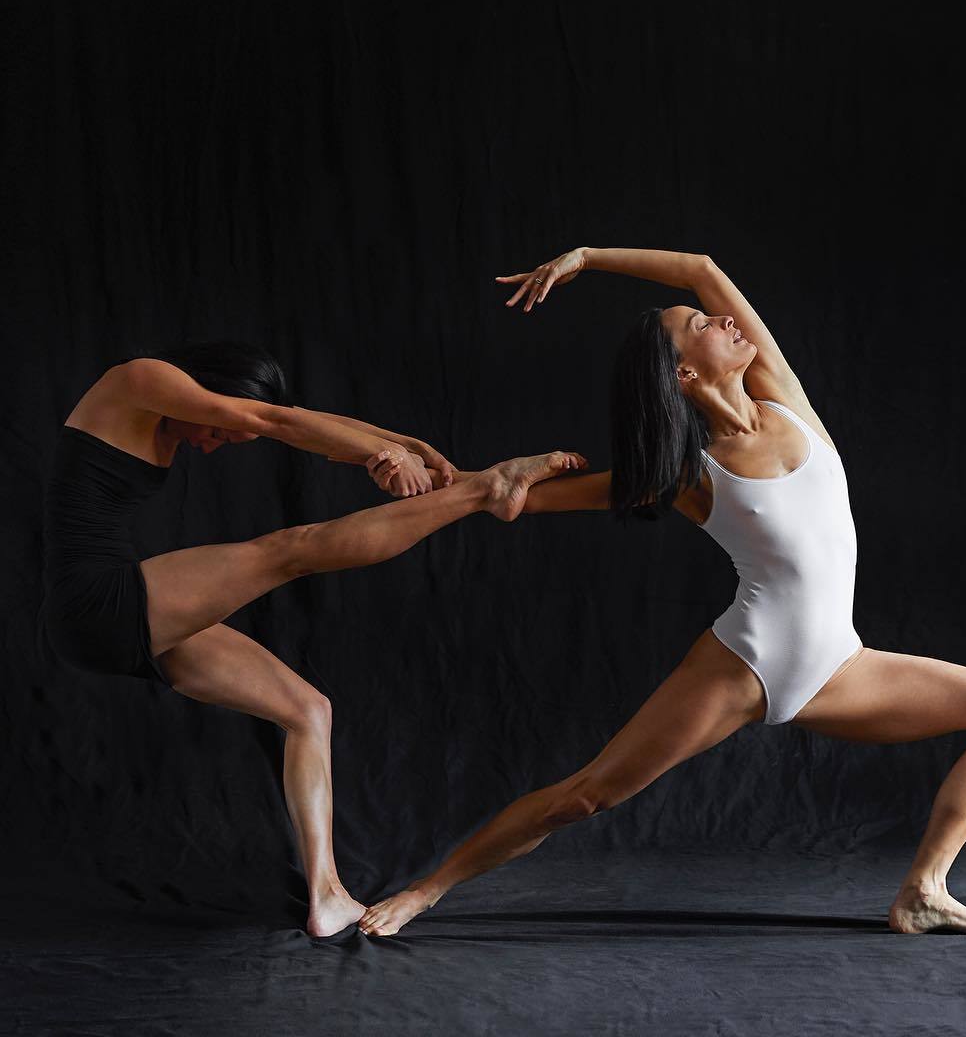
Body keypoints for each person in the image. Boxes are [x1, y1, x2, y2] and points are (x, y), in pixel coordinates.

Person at [359, 247, 966, 938]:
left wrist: (587, 258)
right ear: (684, 373)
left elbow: (702, 270)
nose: (724, 319)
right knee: (584, 798)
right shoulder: (688, 473)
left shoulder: (786, 401)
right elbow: (511, 500)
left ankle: (924, 891)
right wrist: (436, 478)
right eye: (700, 326)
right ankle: (425, 891)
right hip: (745, 662)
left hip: (842, 666)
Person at [41, 339, 584, 939]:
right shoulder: (138, 379)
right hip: (93, 601)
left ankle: (327, 896)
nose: (210, 445)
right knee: (292, 550)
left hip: (109, 617)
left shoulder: (175, 409)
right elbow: (277, 423)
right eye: (218, 432)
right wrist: (386, 452)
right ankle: (489, 491)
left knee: (308, 711)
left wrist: (406, 446)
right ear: (209, 385)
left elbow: (295, 420)